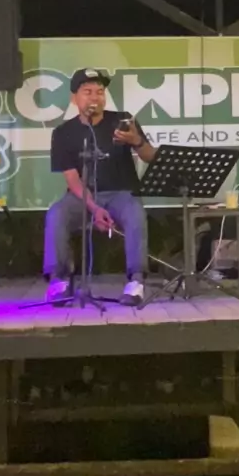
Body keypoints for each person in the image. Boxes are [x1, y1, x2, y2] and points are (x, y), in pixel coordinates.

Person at [43, 68, 156, 306]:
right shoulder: (63, 133)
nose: (95, 97)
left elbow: (150, 157)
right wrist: (94, 208)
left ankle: (136, 281)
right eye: (88, 92)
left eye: (100, 92)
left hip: (121, 193)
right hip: (82, 196)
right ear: (74, 98)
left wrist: (136, 141)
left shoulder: (123, 120)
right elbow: (72, 179)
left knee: (135, 213)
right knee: (56, 214)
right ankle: (59, 280)